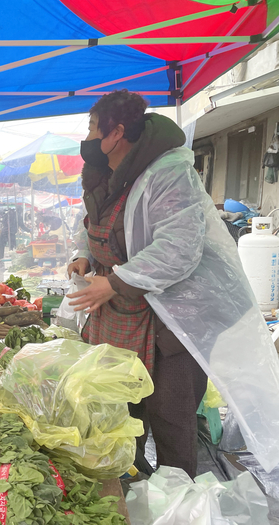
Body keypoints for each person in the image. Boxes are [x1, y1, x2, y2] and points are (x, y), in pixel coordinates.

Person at [65, 90, 216, 477]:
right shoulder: (107, 174)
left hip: (172, 320)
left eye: (92, 129)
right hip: (122, 315)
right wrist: (86, 254)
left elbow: (179, 248)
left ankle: (178, 501)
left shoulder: (166, 172)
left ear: (116, 134)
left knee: (170, 415)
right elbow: (96, 223)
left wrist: (114, 282)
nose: (87, 138)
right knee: (121, 411)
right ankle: (132, 489)